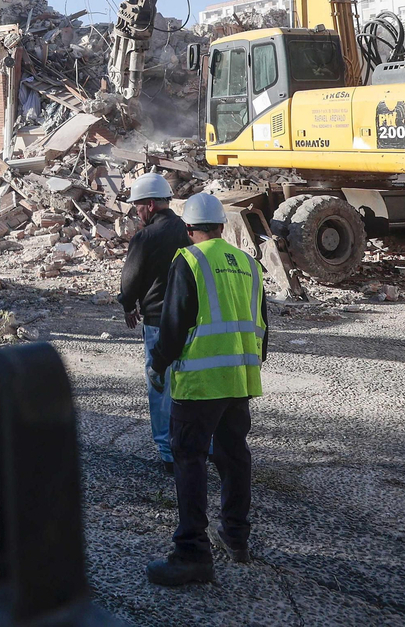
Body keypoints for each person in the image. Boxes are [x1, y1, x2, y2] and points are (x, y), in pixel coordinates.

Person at [146, 193, 267, 586]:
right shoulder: (249, 264)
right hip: (239, 379)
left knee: (189, 459)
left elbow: (174, 324)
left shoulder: (189, 260)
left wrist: (158, 364)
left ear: (188, 229)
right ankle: (236, 537)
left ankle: (192, 553)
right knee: (234, 457)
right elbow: (262, 326)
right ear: (221, 226)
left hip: (200, 384)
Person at [117, 172, 190, 473]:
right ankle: (200, 445)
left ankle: (167, 452)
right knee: (187, 384)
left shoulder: (145, 237)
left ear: (149, 205)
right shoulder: (187, 231)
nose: (136, 212)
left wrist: (127, 304)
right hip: (189, 320)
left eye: (137, 206)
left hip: (158, 321)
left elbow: (130, 278)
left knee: (159, 385)